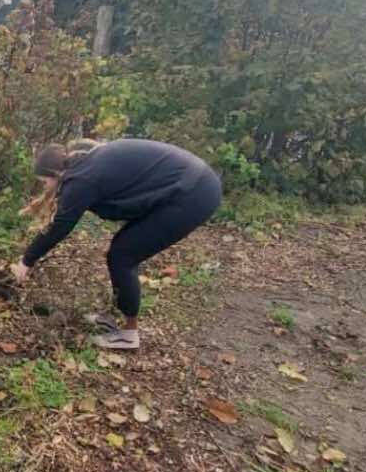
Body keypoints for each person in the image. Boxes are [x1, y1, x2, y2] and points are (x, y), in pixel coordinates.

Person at [11, 138, 221, 350]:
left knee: (122, 255)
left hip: (193, 193)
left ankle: (129, 336)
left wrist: (26, 262)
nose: (45, 187)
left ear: (56, 173)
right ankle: (115, 318)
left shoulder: (82, 180)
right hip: (193, 182)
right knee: (121, 249)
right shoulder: (86, 160)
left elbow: (60, 226)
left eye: (44, 182)